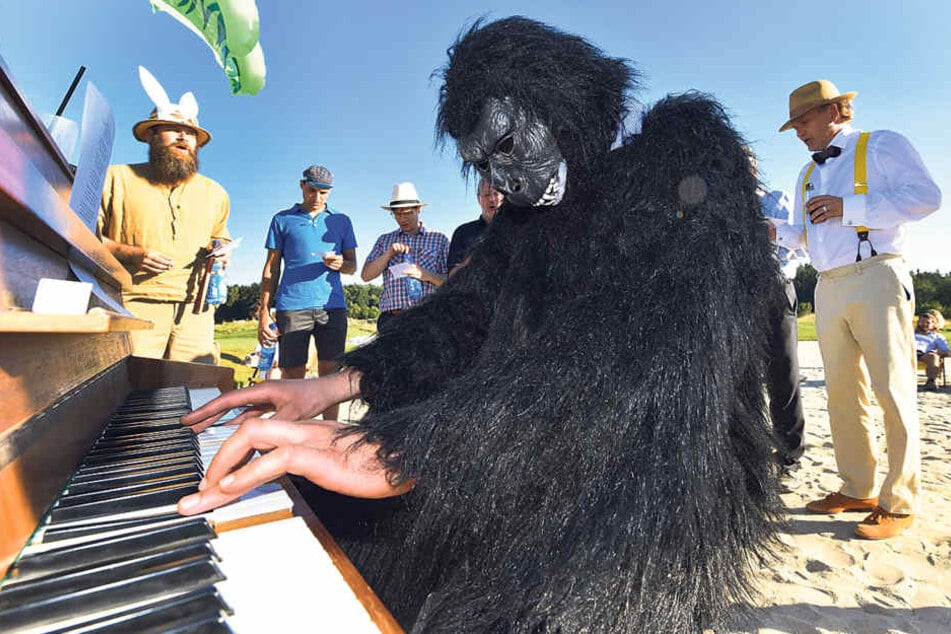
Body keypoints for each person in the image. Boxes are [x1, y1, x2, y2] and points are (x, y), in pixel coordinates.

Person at [179, 18, 783, 633]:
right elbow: (467, 309)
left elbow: (645, 352)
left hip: (642, 487)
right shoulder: (526, 214)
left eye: (507, 147)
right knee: (327, 531)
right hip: (510, 437)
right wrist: (336, 384)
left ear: (562, 97)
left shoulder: (682, 148)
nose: (503, 180)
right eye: (484, 165)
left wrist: (415, 447)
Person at [772, 79, 941, 539]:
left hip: (878, 276)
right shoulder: (806, 173)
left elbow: (928, 197)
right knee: (843, 393)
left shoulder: (882, 144)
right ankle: (859, 486)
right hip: (827, 287)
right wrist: (774, 232)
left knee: (893, 390)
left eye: (803, 121)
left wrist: (851, 206)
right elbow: (806, 237)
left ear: (833, 111)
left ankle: (900, 501)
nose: (799, 132)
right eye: (795, 126)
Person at [99, 77, 229, 363]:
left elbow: (220, 237)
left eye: (191, 133)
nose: (184, 137)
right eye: (174, 129)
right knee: (130, 392)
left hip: (197, 309)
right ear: (151, 135)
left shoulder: (215, 192)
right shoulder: (115, 178)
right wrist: (130, 254)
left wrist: (219, 252)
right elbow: (81, 235)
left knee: (196, 392)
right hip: (133, 304)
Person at [258, 165, 356, 420]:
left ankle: (329, 432)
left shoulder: (341, 221)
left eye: (324, 193)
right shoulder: (282, 219)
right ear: (302, 185)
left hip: (332, 307)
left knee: (331, 375)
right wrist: (263, 313)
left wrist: (339, 265)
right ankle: (295, 433)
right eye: (312, 190)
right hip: (292, 306)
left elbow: (352, 266)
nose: (317, 198)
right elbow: (271, 269)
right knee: (292, 375)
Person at [751, 149, 807, 490]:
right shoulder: (711, 201)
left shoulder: (778, 200)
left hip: (774, 287)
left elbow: (803, 247)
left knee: (783, 375)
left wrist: (771, 234)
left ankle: (790, 458)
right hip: (731, 293)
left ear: (754, 169)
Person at [360, 182, 448, 331]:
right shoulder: (384, 240)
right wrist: (388, 254)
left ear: (418, 209)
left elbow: (451, 281)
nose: (402, 219)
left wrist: (427, 275)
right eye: (397, 213)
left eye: (407, 212)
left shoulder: (440, 239)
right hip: (391, 319)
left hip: (428, 317)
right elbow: (366, 276)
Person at [446, 178, 504, 274]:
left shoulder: (519, 229)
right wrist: (472, 261)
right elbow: (451, 275)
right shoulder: (462, 232)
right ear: (478, 199)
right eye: (487, 194)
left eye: (496, 194)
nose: (492, 199)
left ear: (503, 198)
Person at [915, 311, 950, 392]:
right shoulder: (910, 333)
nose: (924, 324)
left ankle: (931, 382)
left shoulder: (937, 337)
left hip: (925, 354)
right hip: (908, 353)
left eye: (927, 322)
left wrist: (938, 353)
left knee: (933, 357)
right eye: (922, 322)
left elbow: (947, 352)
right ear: (918, 323)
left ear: (933, 324)